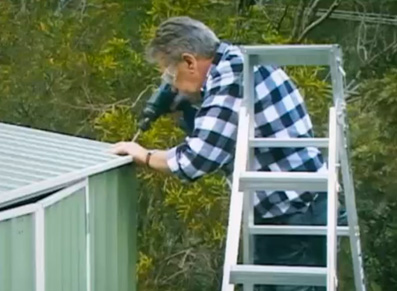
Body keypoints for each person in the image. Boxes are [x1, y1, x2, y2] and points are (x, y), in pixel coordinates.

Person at [111, 16, 330, 291]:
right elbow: (225, 138)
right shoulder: (240, 63)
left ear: (190, 62)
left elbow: (196, 160)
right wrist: (192, 106)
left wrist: (143, 155)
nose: (171, 84)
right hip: (302, 210)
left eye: (169, 73)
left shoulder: (232, 78)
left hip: (294, 221)